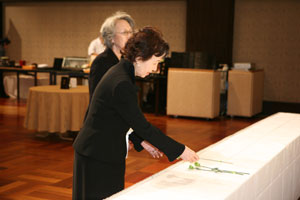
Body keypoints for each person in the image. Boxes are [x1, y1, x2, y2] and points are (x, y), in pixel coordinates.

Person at [72, 26, 199, 200]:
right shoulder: (122, 81)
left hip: (97, 151)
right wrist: (180, 150)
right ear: (139, 58)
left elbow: (118, 117)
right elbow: (143, 126)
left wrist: (140, 141)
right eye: (155, 63)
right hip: (98, 155)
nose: (154, 69)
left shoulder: (121, 72)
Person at [88, 11, 160, 161]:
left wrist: (136, 139)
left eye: (131, 32)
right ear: (111, 38)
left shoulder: (124, 63)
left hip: (114, 133)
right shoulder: (102, 63)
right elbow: (104, 106)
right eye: (124, 32)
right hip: (101, 134)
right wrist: (135, 138)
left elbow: (125, 109)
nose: (130, 36)